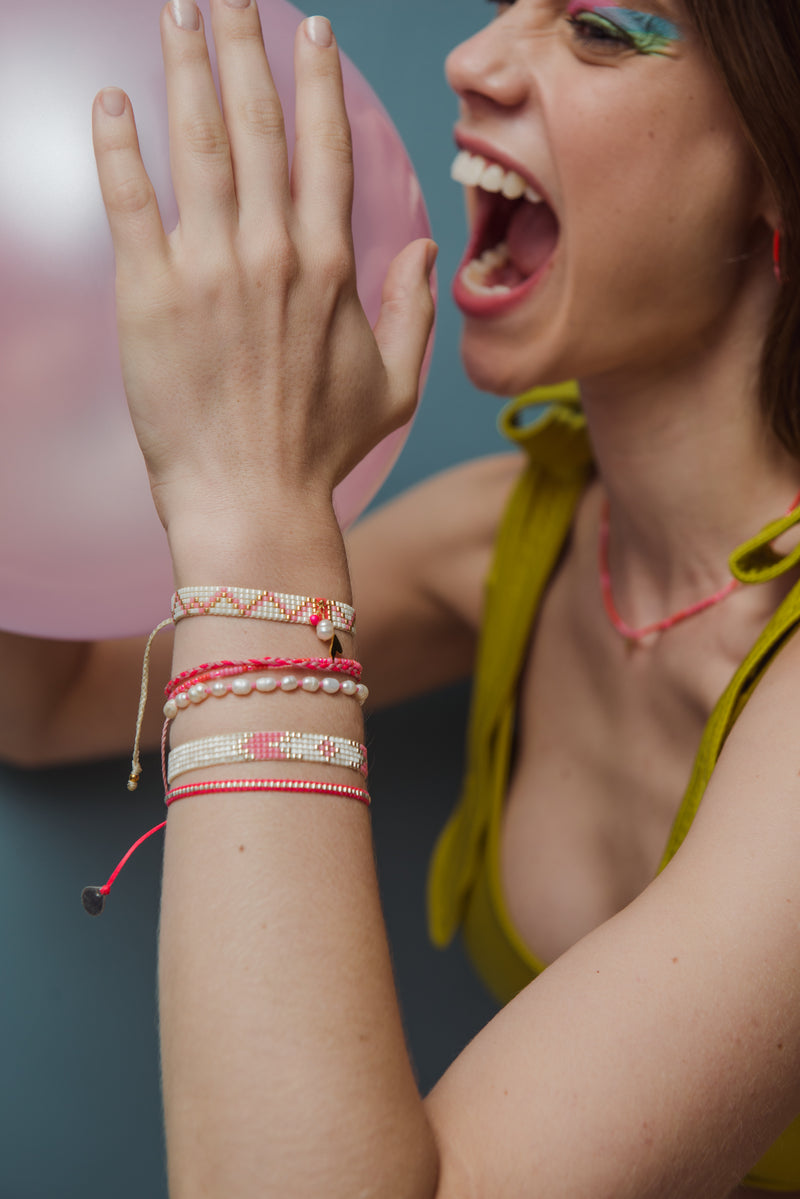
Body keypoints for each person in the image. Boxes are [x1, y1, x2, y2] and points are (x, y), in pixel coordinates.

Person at [3, 0, 800, 1193]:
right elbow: (51, 695)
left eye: (594, 29)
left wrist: (255, 502)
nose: (469, 62)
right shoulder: (513, 540)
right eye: (502, 12)